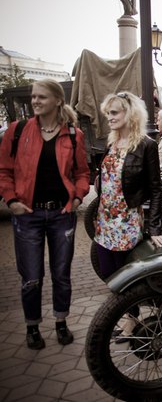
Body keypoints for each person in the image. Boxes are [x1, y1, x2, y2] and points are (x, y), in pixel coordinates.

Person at [0, 79, 90, 349]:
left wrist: (77, 198)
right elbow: (4, 171)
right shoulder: (17, 131)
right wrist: (11, 201)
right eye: (33, 96)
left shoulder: (73, 135)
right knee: (31, 276)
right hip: (28, 216)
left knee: (61, 273)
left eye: (41, 97)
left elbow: (82, 173)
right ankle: (32, 327)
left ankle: (61, 322)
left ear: (57, 100)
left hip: (62, 215)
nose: (35, 101)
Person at [94, 91, 162, 282]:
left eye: (114, 112)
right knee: (107, 273)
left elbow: (155, 189)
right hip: (104, 220)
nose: (109, 117)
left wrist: (154, 228)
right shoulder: (111, 143)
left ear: (130, 113)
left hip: (127, 222)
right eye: (108, 113)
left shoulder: (146, 145)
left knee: (126, 278)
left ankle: (129, 303)